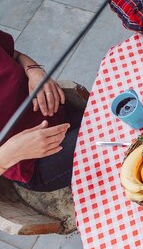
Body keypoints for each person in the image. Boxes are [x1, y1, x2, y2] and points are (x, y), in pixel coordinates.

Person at [0, 30, 83, 192]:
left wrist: (33, 70)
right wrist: (8, 153)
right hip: (36, 162)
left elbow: (15, 55)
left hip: (60, 112)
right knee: (113, 137)